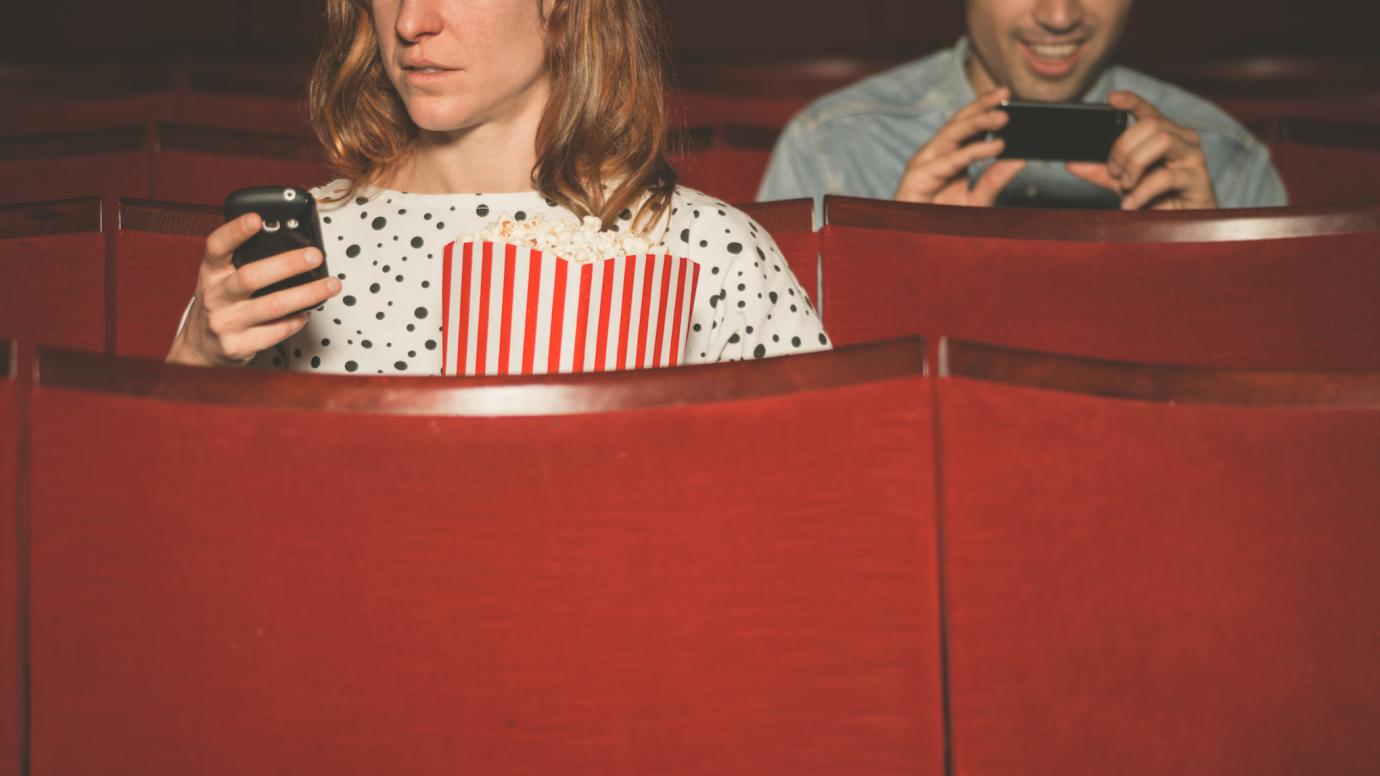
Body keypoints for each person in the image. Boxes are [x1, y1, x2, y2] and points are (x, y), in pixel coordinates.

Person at [168, 0, 828, 374]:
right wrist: (196, 356)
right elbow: (168, 525)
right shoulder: (298, 250)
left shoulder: (706, 247)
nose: (410, 23)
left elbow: (817, 505)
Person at [758, 0, 1287, 216]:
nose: (1059, 16)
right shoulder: (831, 148)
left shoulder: (1226, 161)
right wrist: (901, 265)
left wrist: (1212, 268)